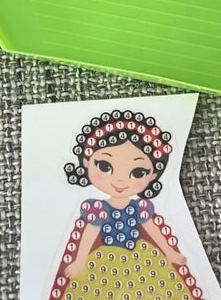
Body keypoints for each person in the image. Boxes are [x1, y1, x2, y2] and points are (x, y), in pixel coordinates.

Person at [50, 110, 204, 300]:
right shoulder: (98, 209)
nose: (120, 180)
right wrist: (80, 261)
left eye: (138, 172)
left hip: (142, 259)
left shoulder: (141, 208)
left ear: (152, 176)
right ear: (86, 162)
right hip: (106, 262)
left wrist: (169, 252)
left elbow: (153, 229)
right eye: (105, 166)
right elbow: (90, 234)